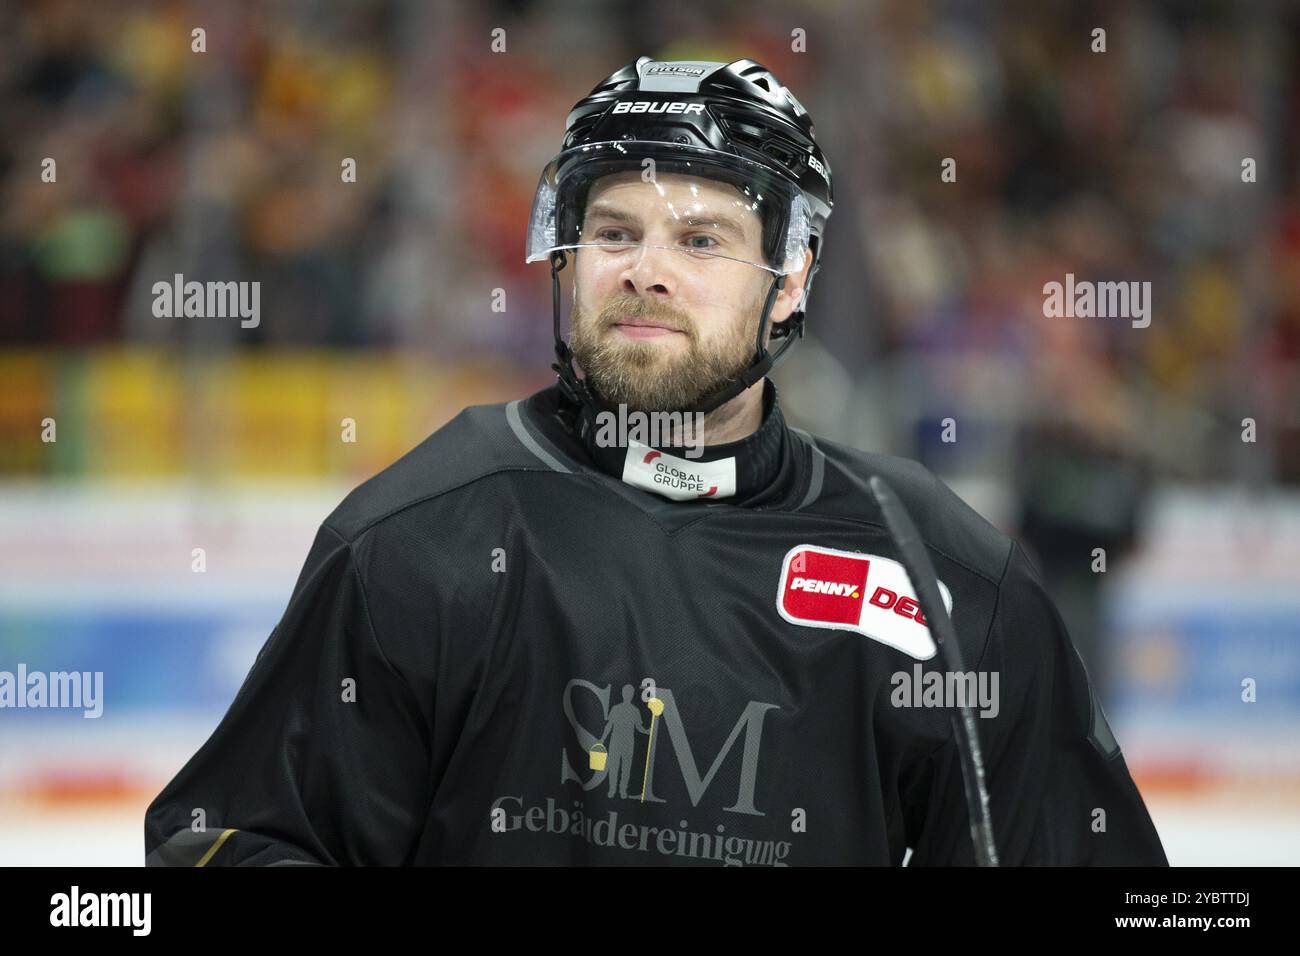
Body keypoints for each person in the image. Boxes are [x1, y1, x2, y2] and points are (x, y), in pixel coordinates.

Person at [144, 56, 1168, 866]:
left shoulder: (937, 569)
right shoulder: (422, 533)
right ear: (567, 253)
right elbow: (226, 837)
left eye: (702, 239)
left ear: (791, 274)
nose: (645, 270)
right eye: (613, 229)